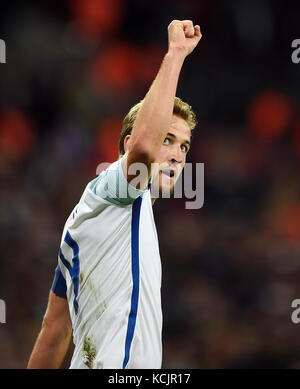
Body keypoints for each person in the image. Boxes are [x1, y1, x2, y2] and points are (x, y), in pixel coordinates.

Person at [27, 19, 202, 369]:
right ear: (125, 145)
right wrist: (175, 55)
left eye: (183, 146)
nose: (178, 154)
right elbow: (142, 152)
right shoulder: (111, 187)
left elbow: (55, 330)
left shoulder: (92, 220)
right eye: (167, 139)